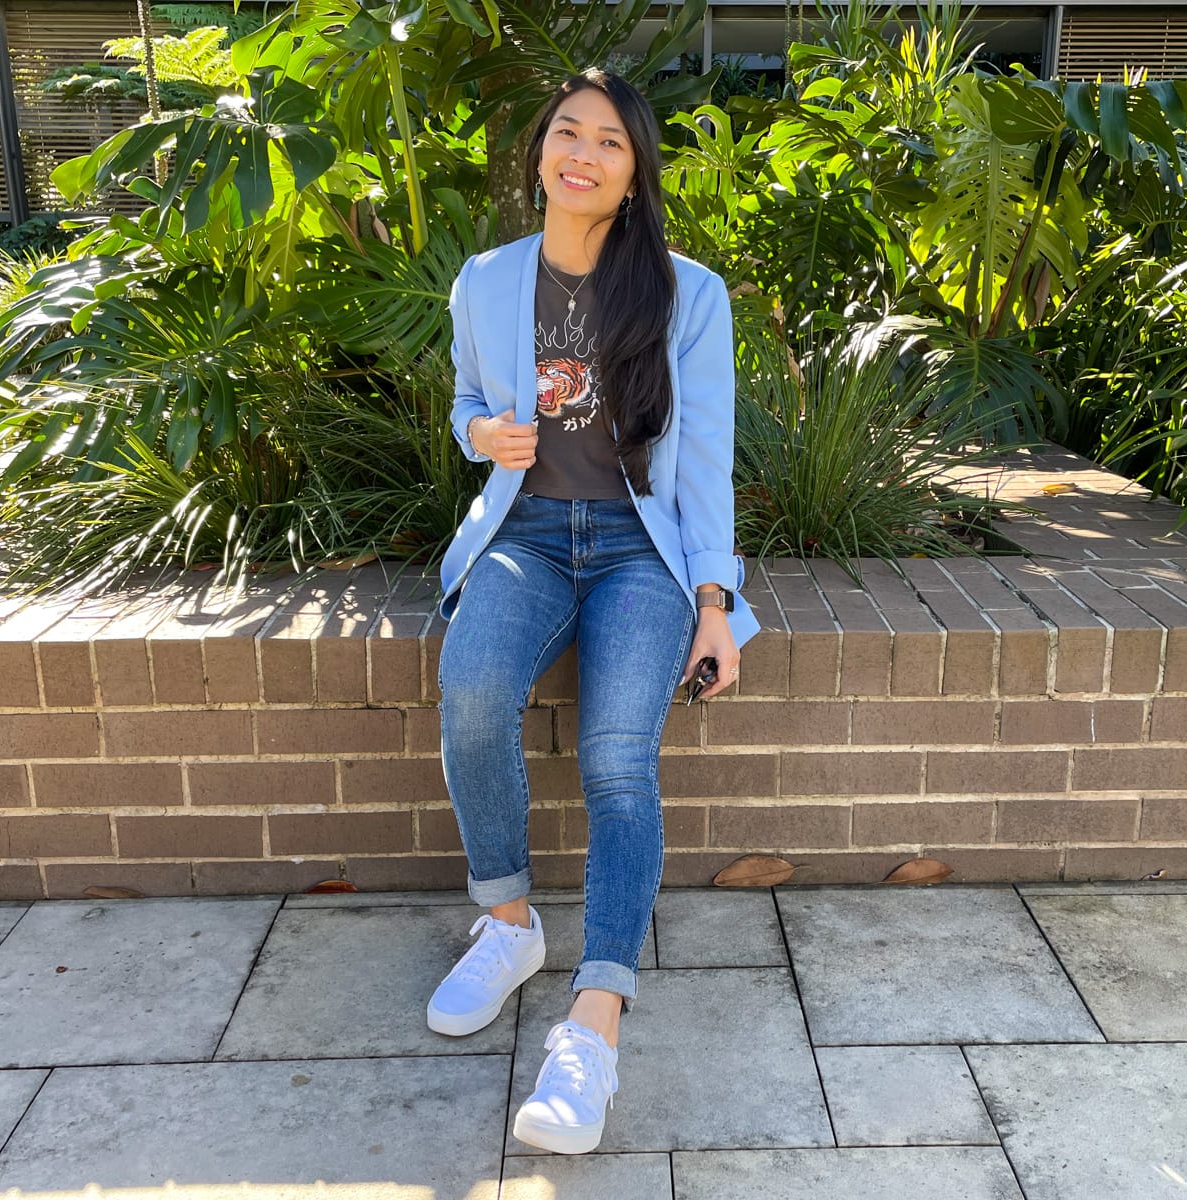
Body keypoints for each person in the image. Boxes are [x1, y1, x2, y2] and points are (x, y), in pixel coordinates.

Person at [427, 67, 761, 1155]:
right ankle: (509, 921)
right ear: (539, 154)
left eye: (609, 141)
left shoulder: (684, 292)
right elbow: (469, 404)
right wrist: (481, 438)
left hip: (639, 552)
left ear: (633, 171)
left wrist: (714, 602)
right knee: (473, 692)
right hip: (524, 537)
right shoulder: (486, 279)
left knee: (619, 759)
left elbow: (703, 460)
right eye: (566, 133)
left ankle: (593, 1023)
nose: (583, 152)